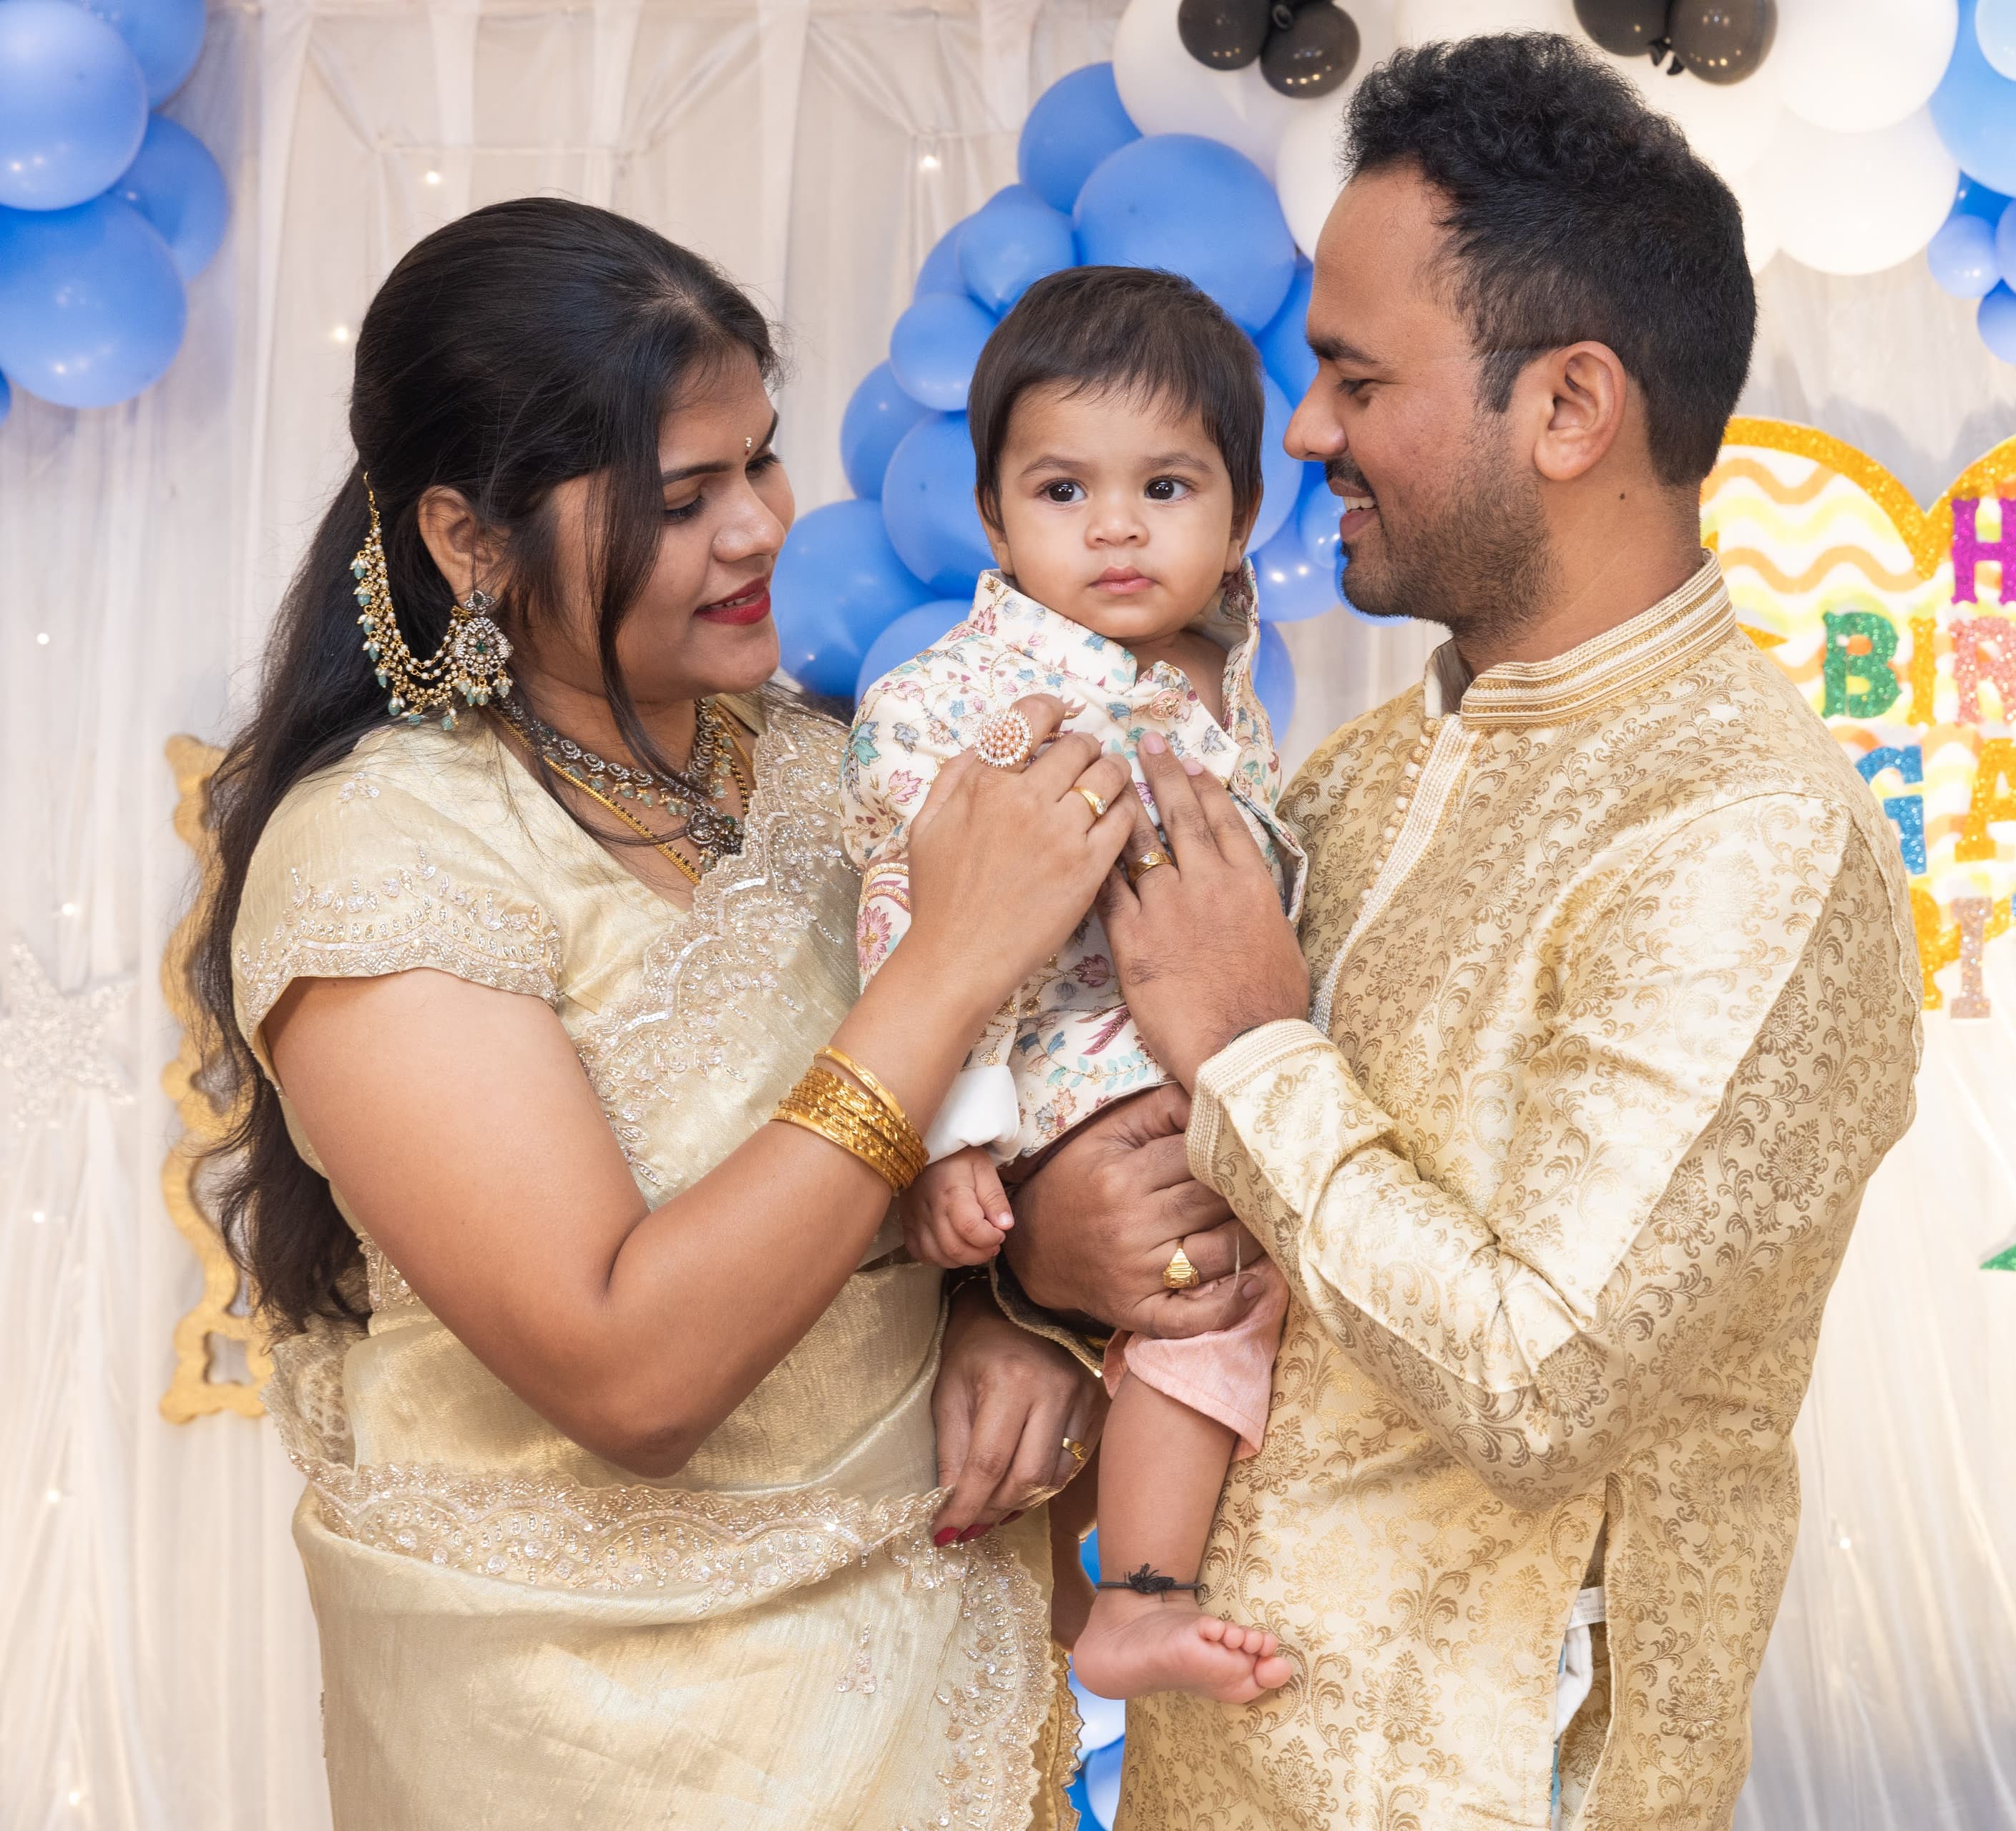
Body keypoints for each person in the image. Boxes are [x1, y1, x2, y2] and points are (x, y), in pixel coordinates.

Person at [189, 197, 1252, 1830]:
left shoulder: (847, 769)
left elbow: (972, 1136)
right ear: (473, 541)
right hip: (596, 1742)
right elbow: (632, 1372)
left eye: (759, 460)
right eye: (686, 498)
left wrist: (1018, 1297)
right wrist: (949, 958)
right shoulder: (383, 853)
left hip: (943, 1675)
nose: (761, 526)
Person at [1034, 34, 1926, 1830]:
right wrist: (1051, 1263)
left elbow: (1540, 1378)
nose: (1302, 432)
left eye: (1356, 378)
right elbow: (1193, 1225)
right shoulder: (1359, 773)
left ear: (1571, 407)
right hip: (1211, 1776)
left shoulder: (1752, 838)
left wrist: (1252, 1052)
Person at [843, 266, 1301, 1704]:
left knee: (1229, 1297)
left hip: (1181, 1064)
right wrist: (954, 1139)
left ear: (1239, 517)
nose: (1114, 525)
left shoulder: (1218, 693)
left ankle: (1149, 1590)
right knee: (1220, 1298)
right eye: (1061, 490)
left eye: (1166, 486)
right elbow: (909, 920)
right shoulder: (957, 698)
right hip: (1053, 1076)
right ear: (992, 516)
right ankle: (1145, 1591)